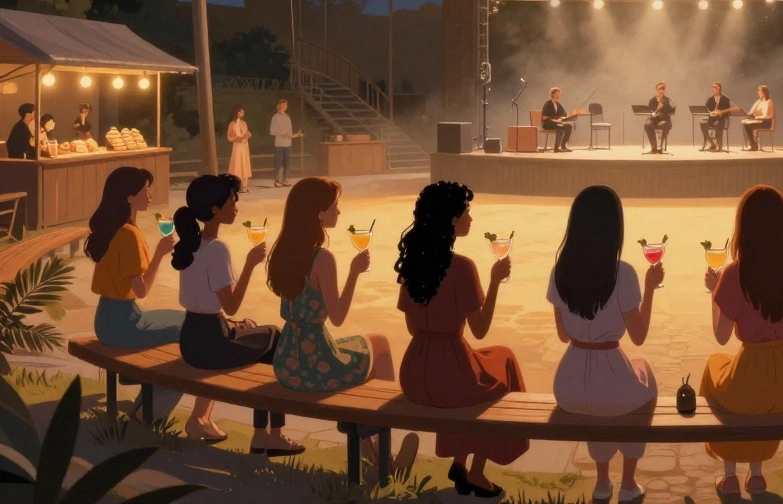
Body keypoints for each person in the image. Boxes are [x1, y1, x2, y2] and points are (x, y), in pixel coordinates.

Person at [266, 177, 417, 469]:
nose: (339, 212)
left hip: (288, 360)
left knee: (366, 345)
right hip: (316, 363)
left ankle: (369, 449)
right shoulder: (322, 258)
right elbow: (337, 317)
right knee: (382, 347)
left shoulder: (283, 250)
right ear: (319, 214)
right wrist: (354, 273)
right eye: (335, 206)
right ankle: (380, 450)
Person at [395, 181, 528, 498]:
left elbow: (413, 328)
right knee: (502, 363)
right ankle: (476, 473)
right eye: (466, 212)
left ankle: (458, 460)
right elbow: (480, 329)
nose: (470, 218)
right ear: (451, 219)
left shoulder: (414, 264)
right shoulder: (462, 267)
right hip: (449, 375)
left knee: (481, 362)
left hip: (413, 373)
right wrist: (495, 281)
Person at [171, 174, 305, 456]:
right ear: (215, 211)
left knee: (252, 328)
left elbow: (208, 306)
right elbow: (231, 306)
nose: (236, 208)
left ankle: (259, 435)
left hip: (191, 338)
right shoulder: (217, 249)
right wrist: (250, 265)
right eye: (232, 202)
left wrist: (234, 324)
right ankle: (270, 436)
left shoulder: (190, 245)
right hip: (212, 343)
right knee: (274, 337)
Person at [547, 185, 662, 503]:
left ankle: (601, 482)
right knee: (644, 375)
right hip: (610, 375)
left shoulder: (560, 271)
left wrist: (585, 330)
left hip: (568, 386)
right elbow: (638, 337)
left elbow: (562, 334)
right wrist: (651, 288)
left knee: (604, 399)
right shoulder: (622, 274)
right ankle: (627, 482)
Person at [702, 185, 783, 496]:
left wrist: (714, 295)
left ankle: (729, 475)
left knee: (716, 367)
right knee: (761, 399)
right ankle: (756, 473)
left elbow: (722, 336)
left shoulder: (735, 273)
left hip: (751, 374)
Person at [86, 166, 217, 434]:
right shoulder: (128, 235)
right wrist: (159, 254)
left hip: (111, 317)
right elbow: (142, 289)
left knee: (186, 320)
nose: (149, 195)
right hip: (123, 325)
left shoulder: (116, 229)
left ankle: (148, 398)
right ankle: (148, 412)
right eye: (145, 191)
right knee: (191, 334)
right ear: (129, 198)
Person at [269, 99, 303, 187]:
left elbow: (290, 134)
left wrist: (297, 135)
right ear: (279, 106)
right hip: (279, 143)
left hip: (287, 144)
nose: (285, 107)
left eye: (286, 105)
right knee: (278, 162)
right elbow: (272, 131)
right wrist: (281, 134)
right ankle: (276, 180)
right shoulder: (275, 117)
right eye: (283, 105)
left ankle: (285, 180)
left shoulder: (287, 117)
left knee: (287, 163)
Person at [541, 87, 577, 153]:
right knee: (560, 127)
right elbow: (544, 117)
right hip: (548, 123)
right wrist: (555, 121)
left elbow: (563, 113)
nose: (559, 95)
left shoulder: (557, 104)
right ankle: (556, 148)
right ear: (553, 94)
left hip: (556, 123)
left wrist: (561, 118)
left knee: (569, 126)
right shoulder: (548, 103)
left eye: (559, 93)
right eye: (557, 93)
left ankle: (563, 146)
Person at [701, 82, 733, 152]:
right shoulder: (711, 99)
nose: (713, 89)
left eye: (714, 87)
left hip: (721, 119)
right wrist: (710, 113)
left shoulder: (725, 99)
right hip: (712, 118)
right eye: (712, 88)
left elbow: (725, 112)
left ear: (719, 89)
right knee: (702, 123)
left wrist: (718, 120)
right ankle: (712, 143)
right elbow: (707, 108)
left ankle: (719, 145)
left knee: (718, 125)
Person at [643, 82, 675, 154]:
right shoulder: (653, 101)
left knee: (664, 125)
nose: (661, 90)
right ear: (656, 90)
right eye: (660, 88)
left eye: (663, 88)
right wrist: (658, 108)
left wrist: (664, 117)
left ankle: (661, 147)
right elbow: (652, 113)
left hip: (665, 121)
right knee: (647, 126)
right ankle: (654, 147)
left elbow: (671, 112)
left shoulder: (667, 100)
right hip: (655, 121)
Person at [227, 105, 252, 190]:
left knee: (244, 163)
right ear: (237, 112)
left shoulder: (243, 123)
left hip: (244, 145)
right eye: (240, 111)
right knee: (237, 164)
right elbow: (229, 137)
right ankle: (237, 184)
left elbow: (247, 132)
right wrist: (238, 138)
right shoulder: (232, 124)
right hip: (237, 145)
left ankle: (244, 184)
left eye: (243, 112)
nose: (242, 113)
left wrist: (247, 135)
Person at [741, 86, 774, 151]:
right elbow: (751, 112)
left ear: (764, 92)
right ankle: (752, 143)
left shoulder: (769, 101)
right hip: (759, 120)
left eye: (760, 91)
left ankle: (753, 145)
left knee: (748, 126)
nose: (758, 93)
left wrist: (757, 117)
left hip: (766, 122)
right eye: (758, 91)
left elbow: (769, 115)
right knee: (745, 123)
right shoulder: (759, 101)